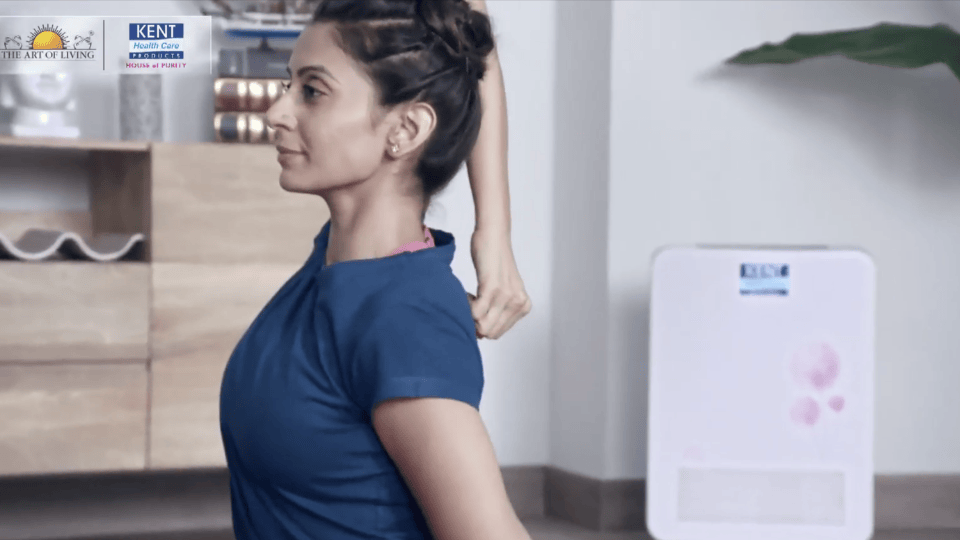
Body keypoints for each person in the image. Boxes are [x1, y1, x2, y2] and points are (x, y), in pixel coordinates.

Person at [219, 1, 533, 539]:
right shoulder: (339, 266)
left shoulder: (404, 319)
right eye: (287, 84)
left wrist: (496, 233)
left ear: (406, 128)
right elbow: (469, 48)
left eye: (312, 91)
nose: (275, 112)